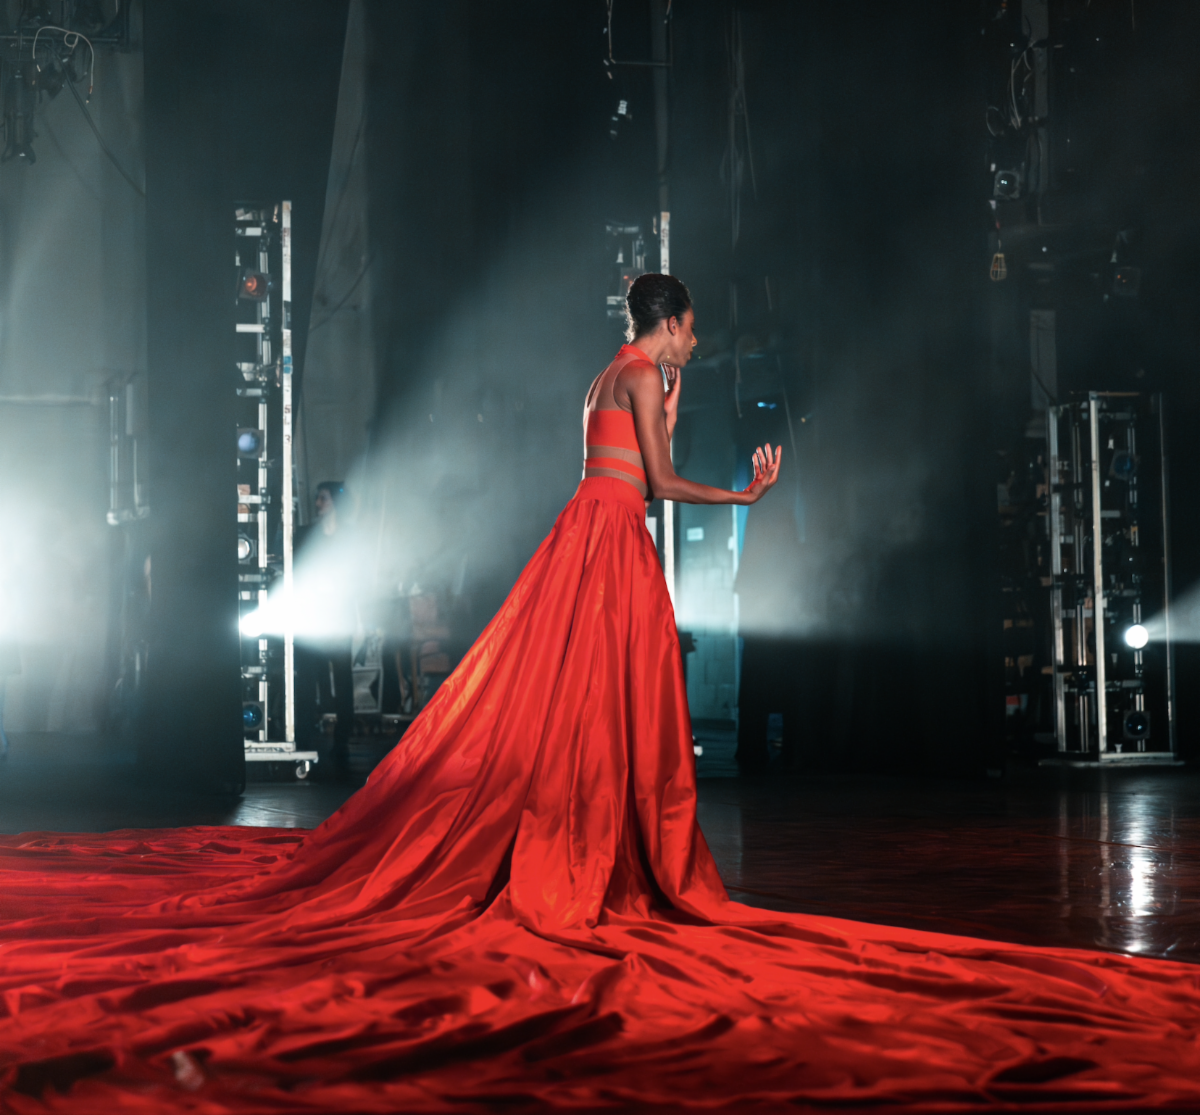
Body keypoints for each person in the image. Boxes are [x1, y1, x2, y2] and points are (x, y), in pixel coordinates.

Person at [5, 275, 1200, 1107]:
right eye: (692, 332)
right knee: (610, 694)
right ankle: (605, 853)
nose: (695, 346)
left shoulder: (617, 372)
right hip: (612, 538)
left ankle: (607, 834)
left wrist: (670, 416)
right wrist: (745, 495)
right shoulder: (634, 371)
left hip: (596, 531)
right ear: (666, 323)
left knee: (603, 696)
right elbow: (661, 482)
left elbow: (631, 462)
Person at [293, 481, 356, 770]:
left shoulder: (350, 537)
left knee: (342, 682)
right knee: (306, 680)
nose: (318, 503)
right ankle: (303, 739)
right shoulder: (305, 534)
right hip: (311, 616)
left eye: (323, 498)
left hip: (339, 618)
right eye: (317, 498)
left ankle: (341, 741)